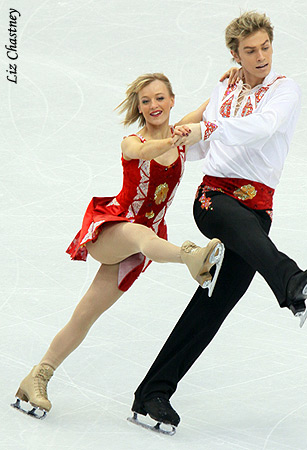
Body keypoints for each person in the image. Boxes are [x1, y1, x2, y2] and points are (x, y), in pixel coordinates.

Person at [130, 11, 307, 431]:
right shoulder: (224, 87)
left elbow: (263, 128)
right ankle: (289, 281)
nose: (260, 57)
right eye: (250, 50)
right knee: (239, 232)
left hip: (257, 216)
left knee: (211, 308)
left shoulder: (284, 90)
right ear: (235, 53)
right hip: (214, 199)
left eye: (265, 47)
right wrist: (185, 137)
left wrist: (207, 127)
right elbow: (201, 149)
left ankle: (152, 394)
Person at [11, 72, 225, 419]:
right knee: (141, 234)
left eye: (160, 98)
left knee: (85, 316)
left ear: (172, 100)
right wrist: (173, 141)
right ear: (139, 108)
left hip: (144, 245)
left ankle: (36, 376)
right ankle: (193, 257)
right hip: (114, 229)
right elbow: (145, 150)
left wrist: (230, 80)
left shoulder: (179, 133)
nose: (154, 105)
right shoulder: (133, 141)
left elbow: (210, 109)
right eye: (146, 101)